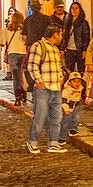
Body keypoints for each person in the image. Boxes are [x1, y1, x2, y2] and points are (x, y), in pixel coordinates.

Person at [26, 23, 66, 154]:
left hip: (55, 88)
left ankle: (53, 143)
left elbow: (58, 66)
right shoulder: (38, 46)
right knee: (40, 116)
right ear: (55, 35)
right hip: (43, 89)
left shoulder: (55, 48)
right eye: (60, 34)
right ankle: (32, 142)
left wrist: (60, 79)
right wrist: (39, 81)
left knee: (56, 117)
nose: (61, 37)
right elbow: (32, 66)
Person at [2, 12, 27, 105]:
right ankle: (24, 94)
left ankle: (17, 98)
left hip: (12, 54)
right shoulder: (24, 29)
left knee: (16, 76)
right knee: (23, 75)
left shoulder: (6, 30)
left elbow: (2, 43)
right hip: (24, 53)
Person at [61, 1, 91, 74]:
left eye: (76, 8)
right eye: (72, 8)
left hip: (79, 50)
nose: (74, 10)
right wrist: (63, 48)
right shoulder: (67, 21)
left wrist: (84, 50)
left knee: (81, 71)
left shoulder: (83, 22)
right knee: (69, 70)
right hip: (69, 50)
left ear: (80, 10)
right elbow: (64, 36)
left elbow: (86, 37)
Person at [59, 72, 86, 142]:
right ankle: (62, 137)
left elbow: (86, 84)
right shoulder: (67, 90)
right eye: (74, 81)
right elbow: (63, 100)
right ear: (69, 82)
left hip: (75, 107)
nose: (77, 83)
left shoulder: (80, 88)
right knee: (66, 121)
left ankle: (73, 129)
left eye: (79, 81)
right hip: (67, 107)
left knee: (76, 118)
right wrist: (66, 109)